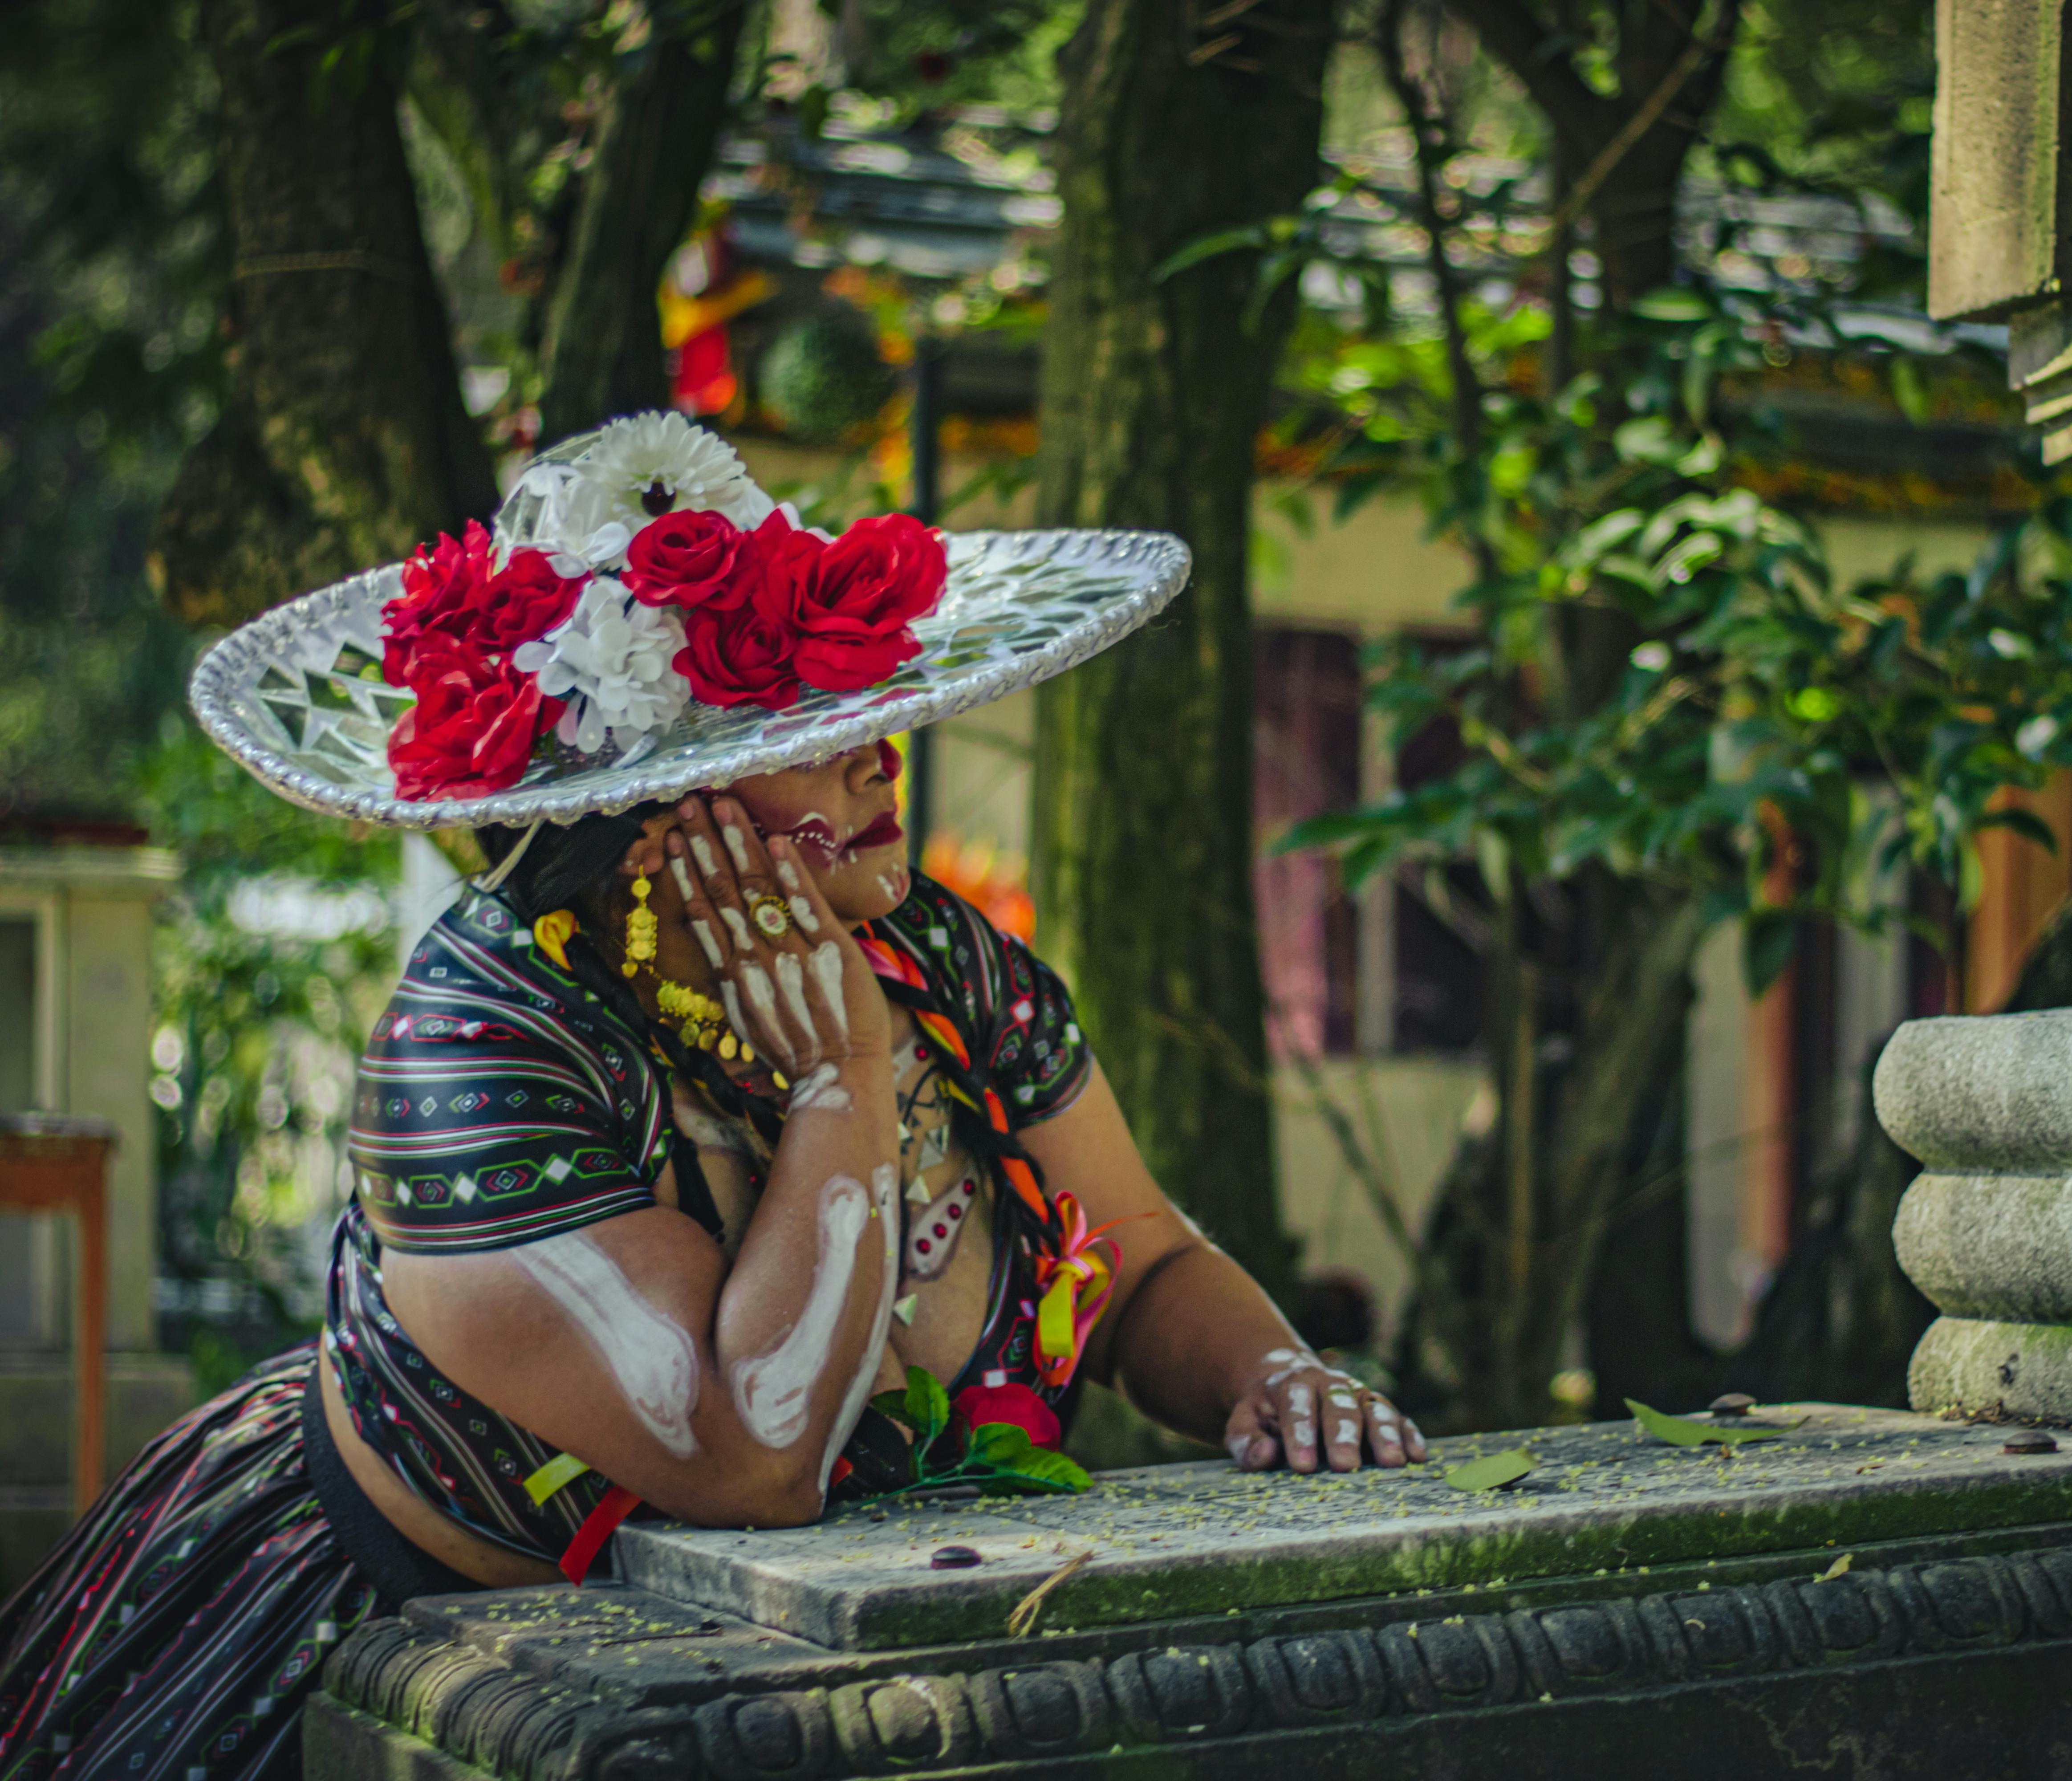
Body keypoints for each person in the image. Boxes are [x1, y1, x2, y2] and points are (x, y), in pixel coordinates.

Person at [0, 412, 1421, 1781]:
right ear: (654, 814)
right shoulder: (478, 1052)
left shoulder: (937, 959)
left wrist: (1270, 1375)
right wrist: (838, 1086)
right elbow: (752, 1453)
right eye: (810, 735)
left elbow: (1142, 1260)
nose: (883, 756)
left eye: (874, 708)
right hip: (415, 1668)